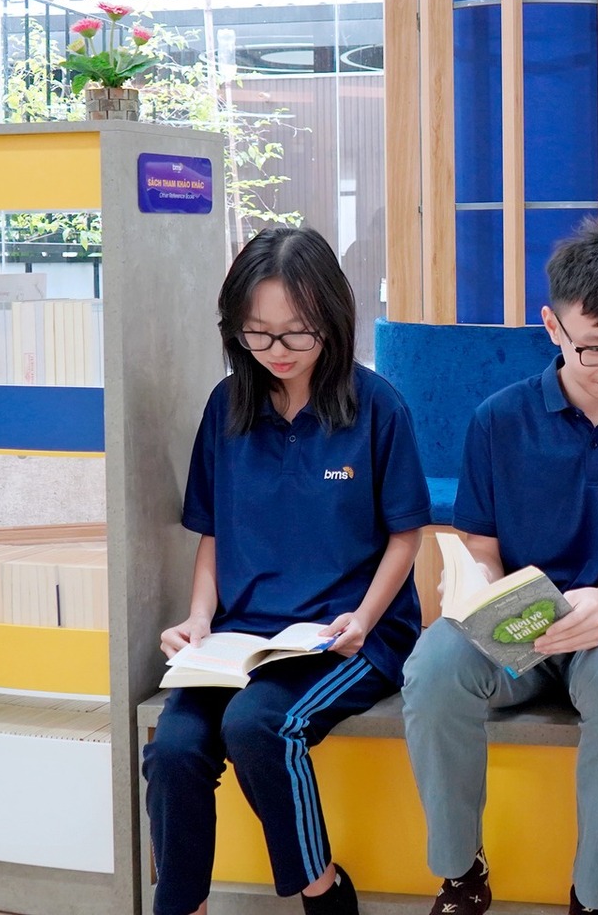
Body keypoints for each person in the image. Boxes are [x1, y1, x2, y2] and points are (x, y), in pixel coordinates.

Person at [144, 227, 431, 915]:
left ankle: (323, 892)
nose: (278, 350)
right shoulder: (227, 407)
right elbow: (214, 532)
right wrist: (199, 619)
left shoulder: (378, 407)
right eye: (258, 334)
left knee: (257, 725)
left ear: (330, 316)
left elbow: (406, 535)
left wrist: (364, 619)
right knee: (174, 749)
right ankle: (180, 906)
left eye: (297, 332)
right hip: (243, 637)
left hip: (349, 636)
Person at [402, 222, 598, 915]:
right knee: (433, 667)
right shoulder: (498, 420)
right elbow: (481, 543)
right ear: (553, 327)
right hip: (519, 624)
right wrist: (480, 587)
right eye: (596, 348)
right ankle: (460, 872)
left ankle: (595, 896)